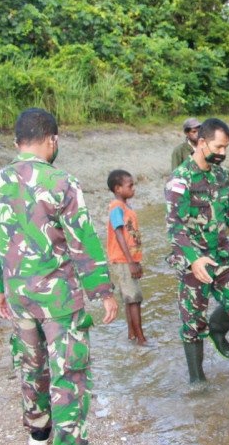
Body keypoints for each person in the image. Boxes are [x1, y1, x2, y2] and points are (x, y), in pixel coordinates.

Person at [0, 108, 119, 445]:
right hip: (59, 299)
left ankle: (38, 435)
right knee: (69, 373)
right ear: (52, 140)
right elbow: (83, 241)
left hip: (18, 298)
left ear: (17, 142)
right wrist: (103, 291)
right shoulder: (61, 181)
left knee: (31, 367)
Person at [164, 117, 229, 384]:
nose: (223, 153)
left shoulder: (221, 175)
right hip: (192, 260)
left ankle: (217, 331)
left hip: (221, 253)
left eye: (226, 147)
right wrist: (194, 260)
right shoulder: (180, 179)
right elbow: (175, 228)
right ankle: (197, 380)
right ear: (202, 142)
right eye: (218, 147)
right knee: (193, 324)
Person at [107, 169, 148, 346]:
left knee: (130, 298)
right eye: (130, 186)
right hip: (124, 260)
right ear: (118, 188)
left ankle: (132, 334)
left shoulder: (125, 207)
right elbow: (118, 233)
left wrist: (136, 261)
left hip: (129, 260)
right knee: (134, 300)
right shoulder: (116, 207)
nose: (133, 189)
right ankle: (141, 339)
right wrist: (131, 262)